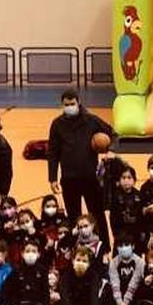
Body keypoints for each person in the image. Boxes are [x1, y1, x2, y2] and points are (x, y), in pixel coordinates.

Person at [47, 90, 115, 241]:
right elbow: (52, 152)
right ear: (62, 105)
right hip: (69, 178)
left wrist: (110, 150)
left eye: (72, 104)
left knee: (97, 213)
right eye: (66, 104)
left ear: (79, 103)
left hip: (90, 177)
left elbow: (113, 133)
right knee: (73, 216)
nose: (69, 107)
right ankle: (76, 247)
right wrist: (52, 178)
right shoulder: (57, 124)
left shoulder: (91, 120)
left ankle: (104, 247)